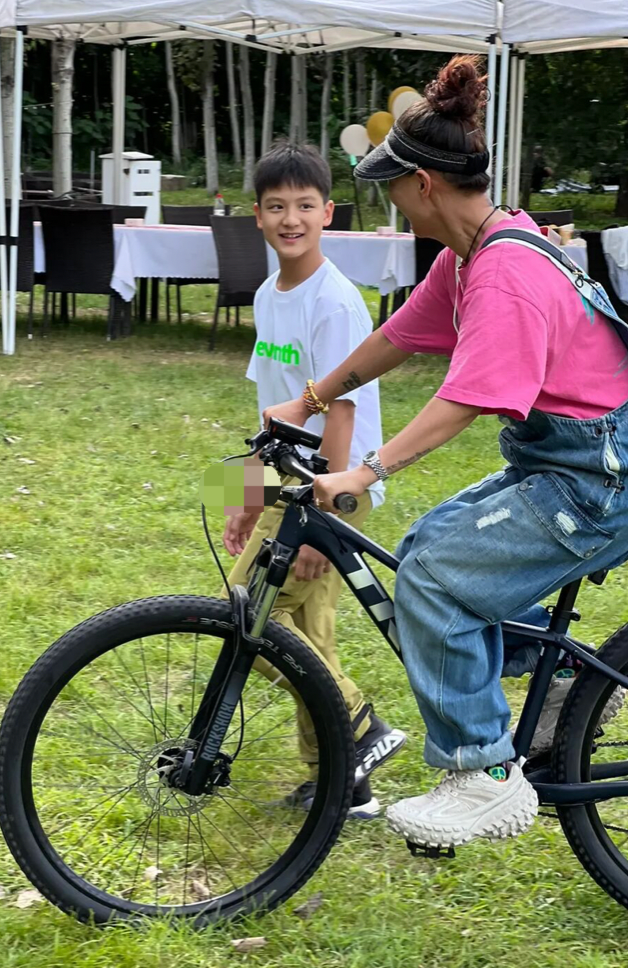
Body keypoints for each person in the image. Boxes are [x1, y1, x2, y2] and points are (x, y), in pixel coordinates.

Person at [263, 55, 628, 849]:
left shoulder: (502, 273)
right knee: (429, 548)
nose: (387, 201)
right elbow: (397, 337)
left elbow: (467, 397)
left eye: (390, 186)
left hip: (596, 480)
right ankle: (561, 682)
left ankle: (484, 775)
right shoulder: (475, 253)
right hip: (567, 464)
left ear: (423, 183)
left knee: (432, 576)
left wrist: (368, 468)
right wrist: (310, 400)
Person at [224, 141, 406, 820]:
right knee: (311, 631)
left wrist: (318, 515)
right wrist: (241, 495)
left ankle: (359, 725)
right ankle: (344, 779)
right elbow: (268, 404)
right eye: (277, 206)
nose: (290, 218)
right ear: (258, 215)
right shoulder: (271, 294)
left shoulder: (334, 302)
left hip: (331, 485)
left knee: (241, 611)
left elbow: (343, 409)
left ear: (328, 212)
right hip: (286, 478)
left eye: (305, 205)